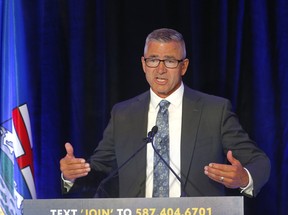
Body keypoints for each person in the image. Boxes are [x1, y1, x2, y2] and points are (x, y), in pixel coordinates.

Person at [60, 28, 270, 198]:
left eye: (169, 61)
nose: (160, 70)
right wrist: (72, 175)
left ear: (183, 66)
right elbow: (100, 171)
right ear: (143, 64)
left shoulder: (214, 111)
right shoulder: (123, 114)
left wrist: (244, 178)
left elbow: (259, 162)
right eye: (153, 60)